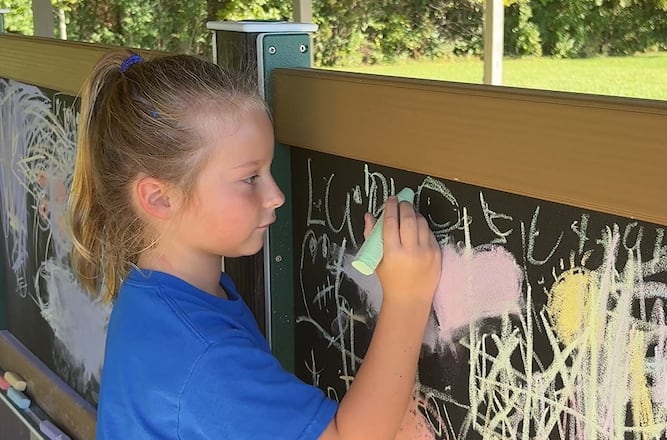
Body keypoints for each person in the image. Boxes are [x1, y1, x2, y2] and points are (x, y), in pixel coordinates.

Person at [67, 50, 441, 439]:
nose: (276, 195)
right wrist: (407, 298)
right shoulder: (205, 354)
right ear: (160, 198)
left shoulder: (159, 298)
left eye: (268, 171)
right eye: (250, 178)